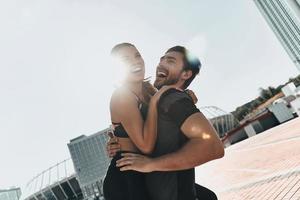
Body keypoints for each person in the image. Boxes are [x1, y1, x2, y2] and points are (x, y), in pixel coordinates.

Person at [113, 46, 225, 200]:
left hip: (145, 172)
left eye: (137, 55)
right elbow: (141, 140)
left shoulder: (151, 92)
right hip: (128, 176)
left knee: (209, 197)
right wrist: (116, 141)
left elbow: (212, 146)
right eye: (162, 59)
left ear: (186, 74)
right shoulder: (135, 95)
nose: (161, 63)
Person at [103, 43, 177, 200]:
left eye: (137, 56)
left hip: (148, 168)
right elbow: (146, 145)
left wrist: (185, 98)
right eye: (126, 59)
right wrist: (157, 101)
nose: (135, 61)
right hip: (127, 178)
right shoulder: (122, 96)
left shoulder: (148, 90)